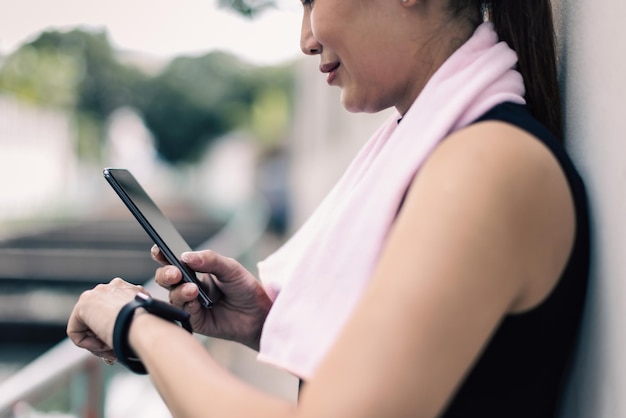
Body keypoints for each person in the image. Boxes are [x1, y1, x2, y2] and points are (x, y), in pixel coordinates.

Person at [67, 0, 590, 416]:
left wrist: (140, 325)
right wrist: (265, 323)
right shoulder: (452, 152)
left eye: (311, 0)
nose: (305, 39)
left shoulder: (486, 163)